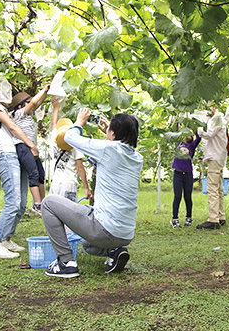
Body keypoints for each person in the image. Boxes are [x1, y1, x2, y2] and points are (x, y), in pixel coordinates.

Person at [41, 109, 143, 277]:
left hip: (104, 230)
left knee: (48, 203)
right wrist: (110, 137)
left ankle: (65, 263)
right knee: (88, 245)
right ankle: (115, 252)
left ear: (114, 133)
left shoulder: (108, 149)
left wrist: (79, 122)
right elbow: (113, 152)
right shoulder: (137, 158)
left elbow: (69, 138)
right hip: (126, 234)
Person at [0, 77, 38, 259]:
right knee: (13, 202)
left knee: (21, 203)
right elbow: (13, 127)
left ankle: (7, 238)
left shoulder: (3, 109)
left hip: (14, 157)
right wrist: (31, 145)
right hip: (6, 156)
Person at [10, 85, 50, 215]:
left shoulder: (28, 115)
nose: (31, 105)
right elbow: (34, 102)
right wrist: (43, 90)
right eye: (27, 103)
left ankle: (43, 202)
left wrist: (46, 92)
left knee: (41, 174)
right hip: (22, 146)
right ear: (20, 106)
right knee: (33, 173)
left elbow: (36, 103)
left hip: (29, 147)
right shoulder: (19, 114)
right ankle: (37, 204)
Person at [49, 97, 91, 203]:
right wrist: (86, 188)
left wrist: (56, 108)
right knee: (68, 214)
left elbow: (53, 124)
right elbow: (80, 167)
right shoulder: (75, 144)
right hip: (69, 184)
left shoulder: (54, 140)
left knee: (55, 211)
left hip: (55, 183)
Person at [196, 107, 228, 230]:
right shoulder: (219, 119)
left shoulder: (217, 118)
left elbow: (208, 135)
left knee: (212, 188)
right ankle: (220, 216)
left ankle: (213, 219)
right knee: (218, 188)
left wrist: (199, 127)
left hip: (215, 157)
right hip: (219, 157)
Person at [170, 130, 201, 228]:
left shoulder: (192, 146)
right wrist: (179, 120)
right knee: (177, 196)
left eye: (189, 134)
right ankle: (175, 219)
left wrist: (195, 128)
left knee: (188, 197)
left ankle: (189, 218)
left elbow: (199, 137)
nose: (187, 135)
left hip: (188, 174)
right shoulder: (178, 143)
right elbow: (176, 130)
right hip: (178, 174)